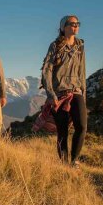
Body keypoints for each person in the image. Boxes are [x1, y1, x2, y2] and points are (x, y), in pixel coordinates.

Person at [41, 15, 87, 168]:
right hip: (59, 93)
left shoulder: (80, 46)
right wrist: (50, 94)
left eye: (77, 24)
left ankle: (74, 161)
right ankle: (64, 164)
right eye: (72, 24)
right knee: (62, 131)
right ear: (63, 27)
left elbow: (82, 71)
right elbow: (47, 70)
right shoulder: (55, 46)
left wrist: (83, 95)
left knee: (82, 127)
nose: (75, 26)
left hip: (76, 91)